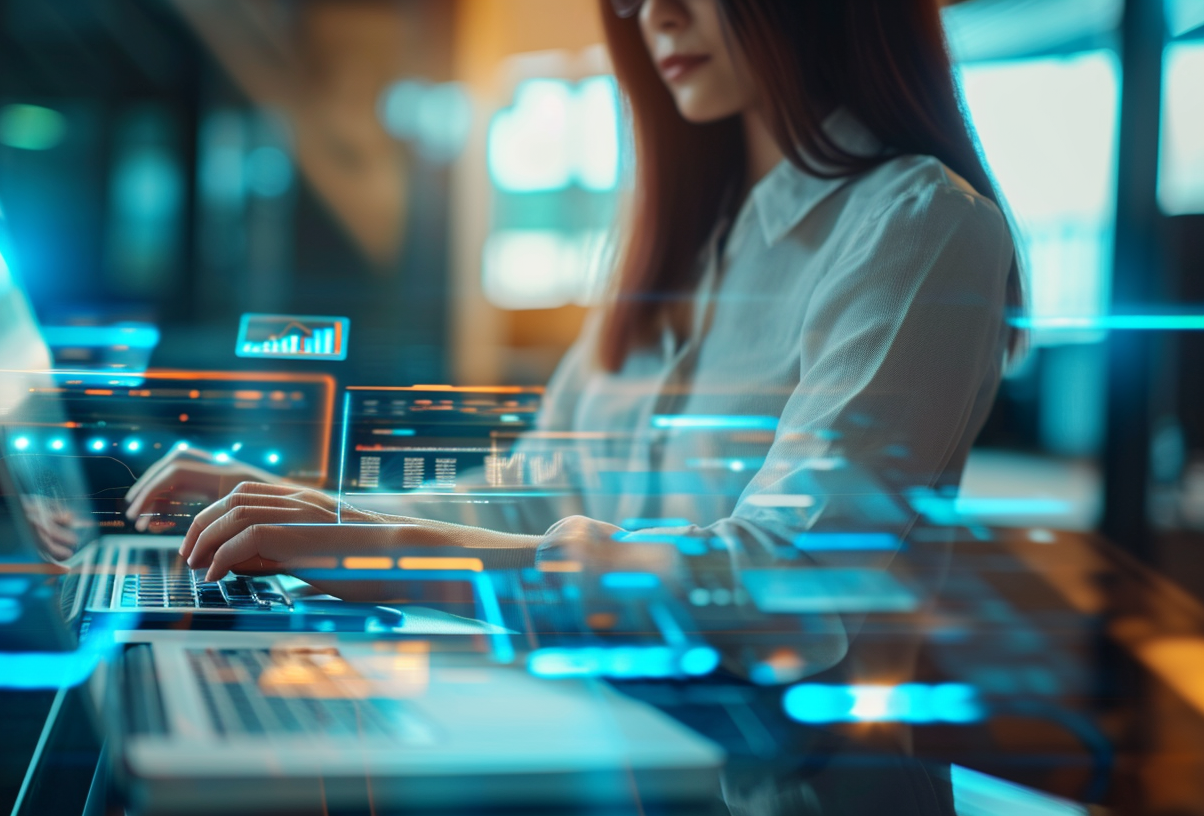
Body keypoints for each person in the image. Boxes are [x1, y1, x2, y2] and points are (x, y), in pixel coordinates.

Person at [124, 0, 1022, 678]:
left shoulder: (919, 225)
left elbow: (786, 592)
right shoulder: (685, 240)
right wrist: (310, 511)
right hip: (598, 755)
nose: (651, 13)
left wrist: (385, 551)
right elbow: (542, 493)